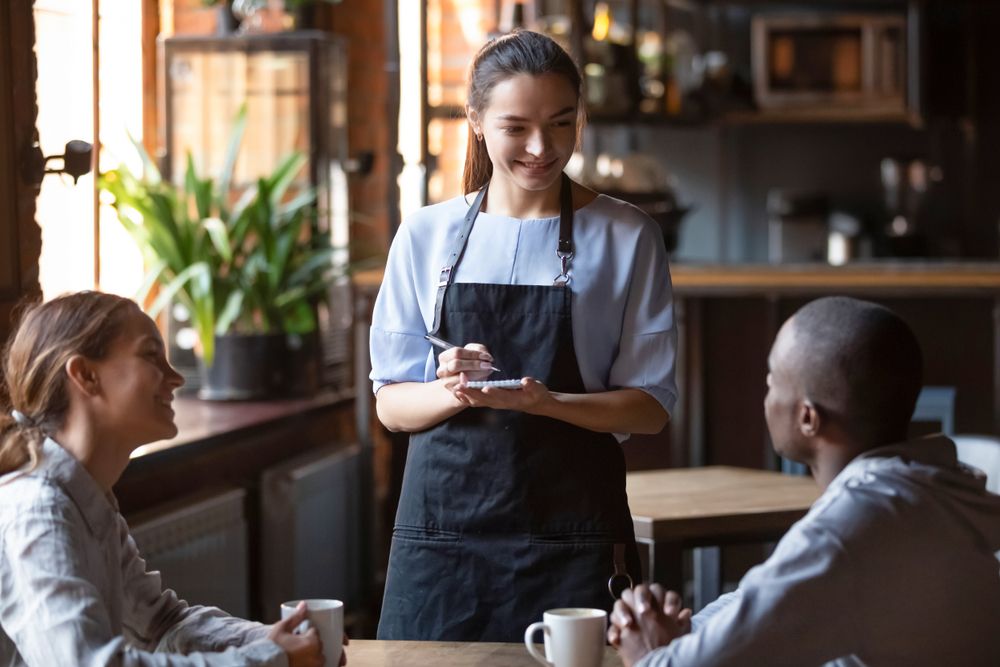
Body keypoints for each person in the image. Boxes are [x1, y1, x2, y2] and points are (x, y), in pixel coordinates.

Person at [369, 29, 677, 641]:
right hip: (443, 545)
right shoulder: (425, 235)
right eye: (517, 128)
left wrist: (549, 403)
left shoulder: (627, 235)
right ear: (477, 122)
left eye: (562, 124)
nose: (542, 147)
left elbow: (650, 409)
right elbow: (391, 405)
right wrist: (452, 388)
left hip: (574, 537)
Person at [608, 296, 1000, 667]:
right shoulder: (929, 486)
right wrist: (688, 631)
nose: (765, 395)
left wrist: (646, 647)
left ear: (808, 418)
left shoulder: (849, 529)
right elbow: (763, 599)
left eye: (772, 381)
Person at [0, 291, 345, 666]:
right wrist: (268, 659)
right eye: (151, 354)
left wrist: (271, 638)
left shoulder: (86, 498)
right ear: (85, 375)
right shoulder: (40, 513)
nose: (177, 377)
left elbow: (163, 624)